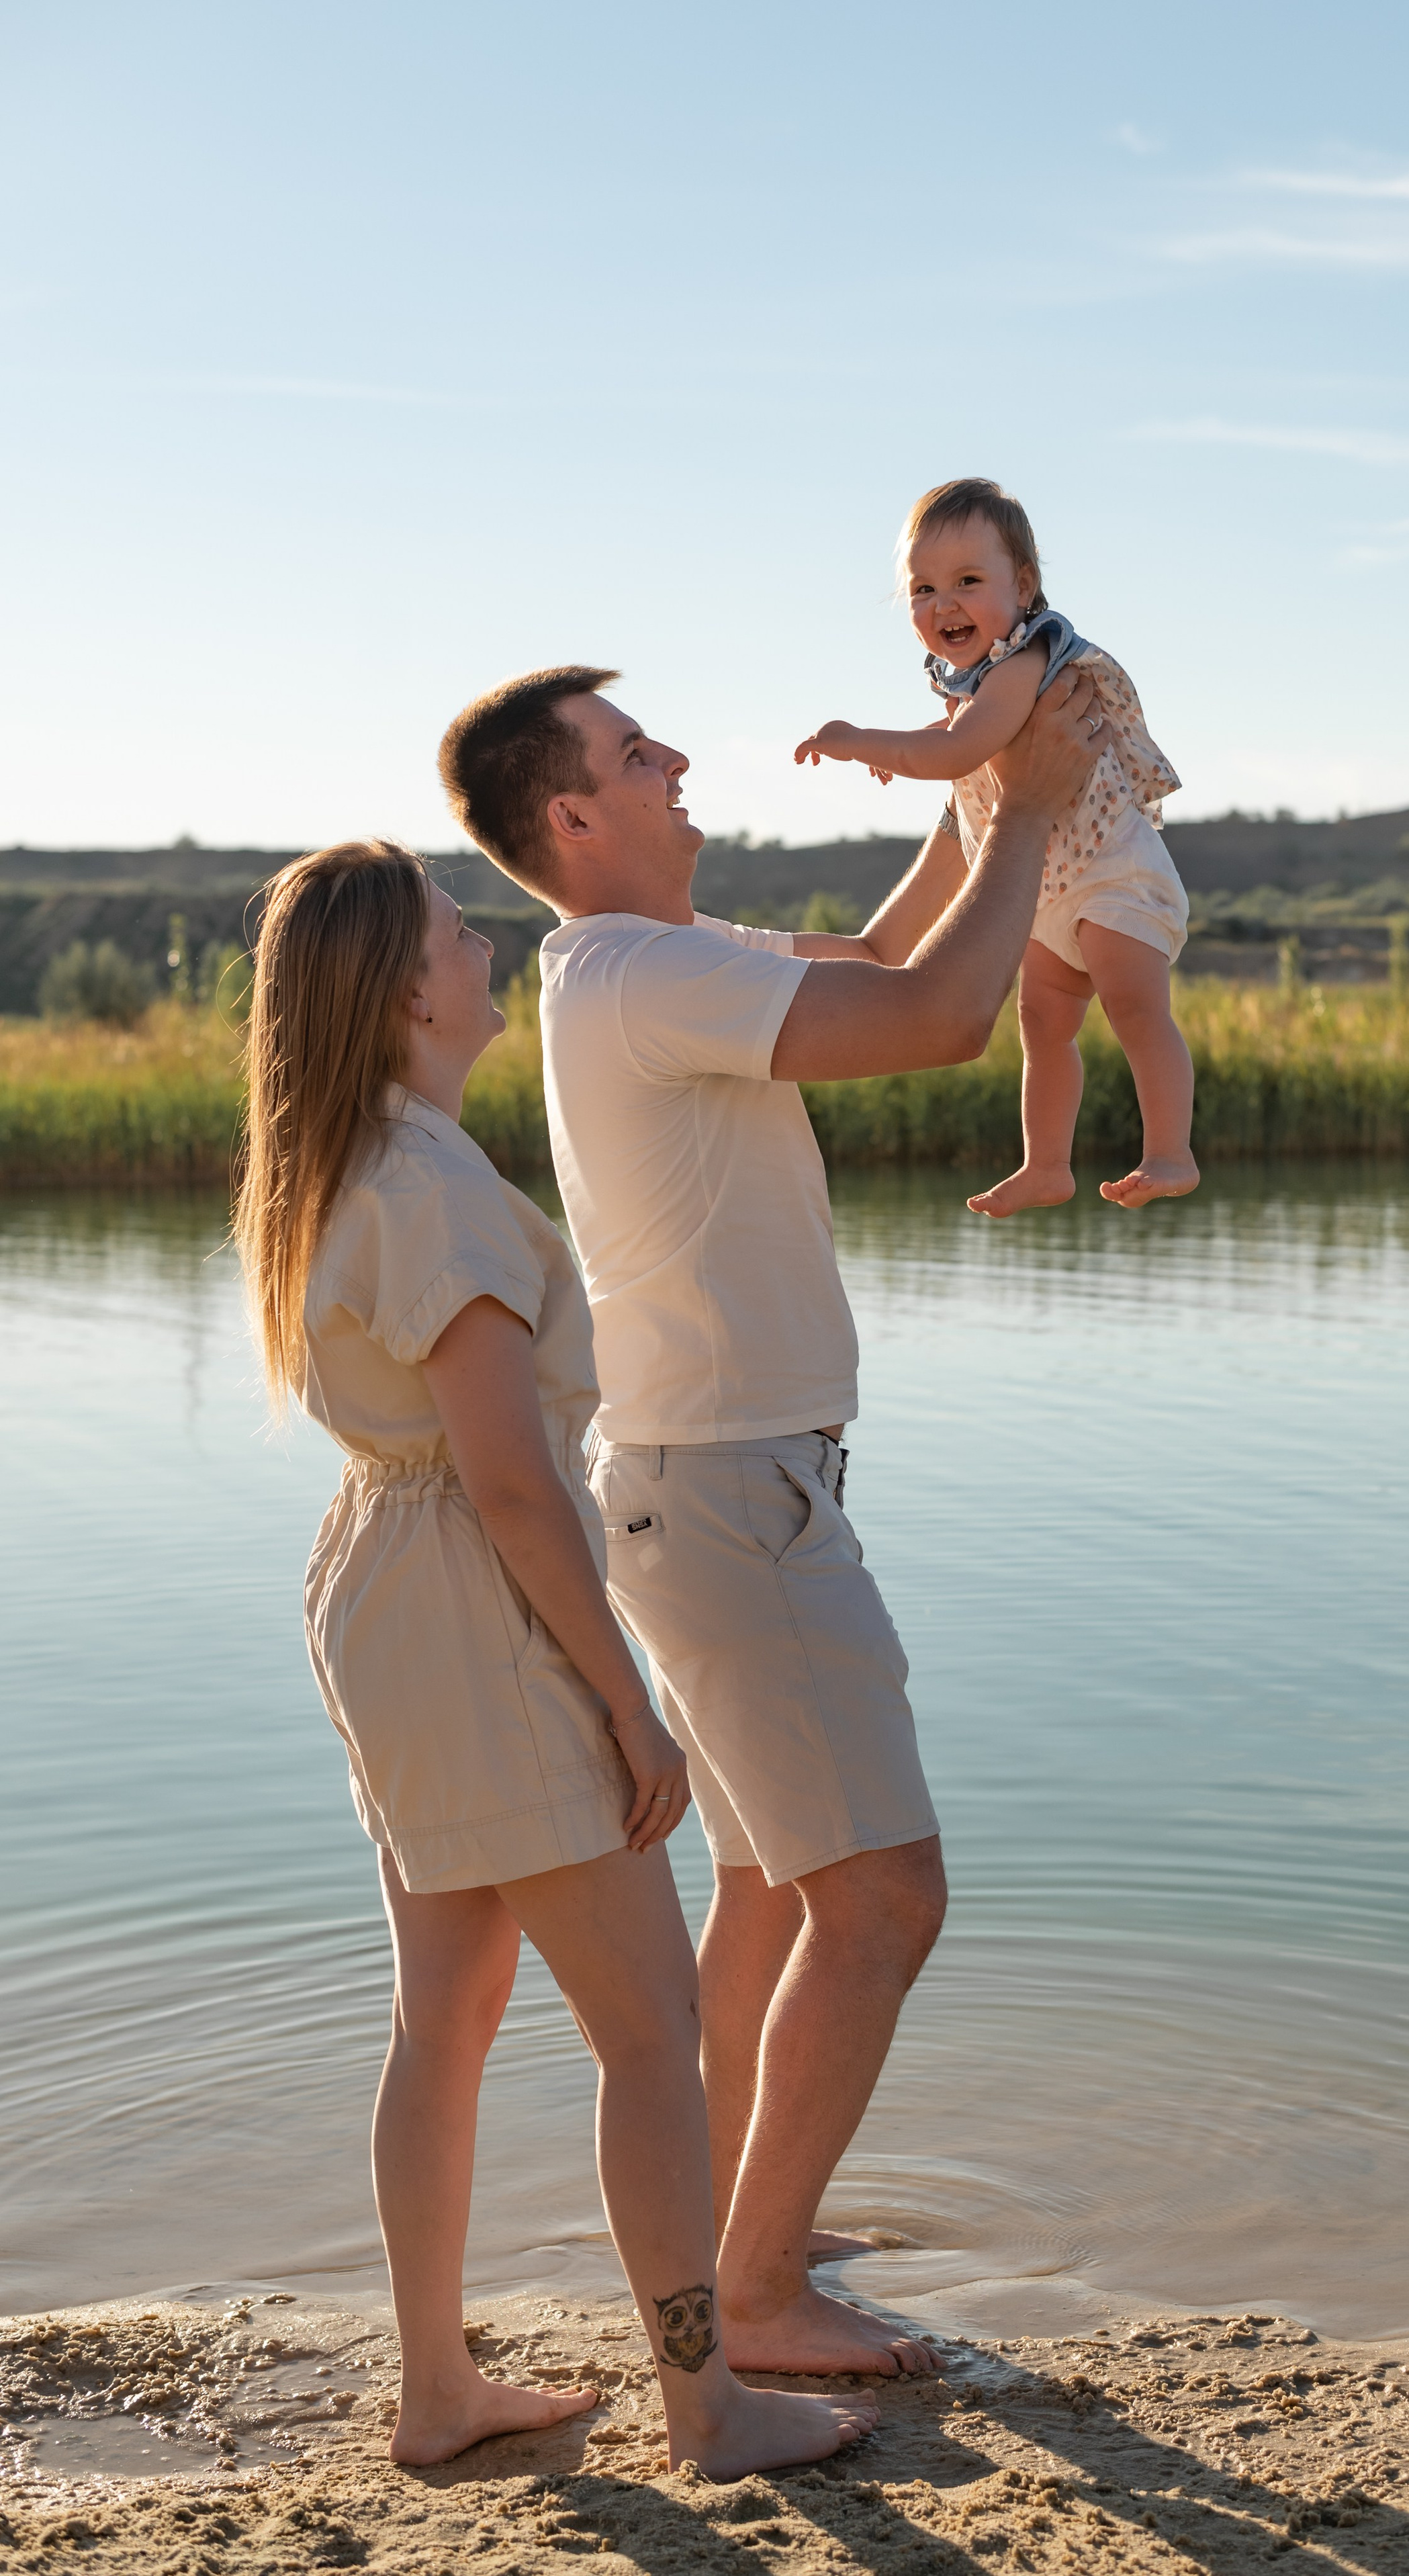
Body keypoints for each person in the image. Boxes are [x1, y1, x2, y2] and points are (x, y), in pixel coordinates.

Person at [435, 660, 1108, 2377]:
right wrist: (1030, 800)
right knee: (880, 1899)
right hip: (734, 1498)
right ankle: (751, 2289)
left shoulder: (639, 967)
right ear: (572, 815)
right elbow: (942, 1019)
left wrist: (976, 794)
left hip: (703, 1488)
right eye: (636, 752)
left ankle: (742, 2229)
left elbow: (891, 964)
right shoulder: (648, 971)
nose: (675, 763)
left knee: (766, 1890)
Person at [232, 838, 872, 2474]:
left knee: (440, 2008)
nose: (484, 941)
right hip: (466, 1594)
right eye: (458, 928)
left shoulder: (361, 1158)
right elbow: (515, 1487)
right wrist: (623, 1696)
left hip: (378, 1577)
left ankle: (439, 2389)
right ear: (404, 988)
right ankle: (705, 2400)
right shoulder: (432, 1187)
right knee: (652, 2024)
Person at [795, 475, 1199, 1220]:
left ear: (1025, 586)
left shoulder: (1024, 661)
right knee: (1042, 1024)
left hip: (1114, 877)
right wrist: (911, 746)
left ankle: (1170, 1149)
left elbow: (966, 747)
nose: (942, 604)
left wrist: (860, 742)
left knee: (1134, 1006)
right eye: (921, 589)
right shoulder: (975, 679)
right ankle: (1045, 1165)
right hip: (1049, 893)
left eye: (967, 581)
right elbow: (959, 738)